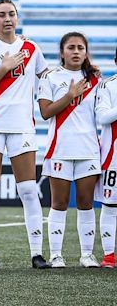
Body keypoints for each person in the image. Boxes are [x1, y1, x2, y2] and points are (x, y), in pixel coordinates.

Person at [0, 0, 50, 269]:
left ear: (17, 18)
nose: (7, 19)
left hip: (22, 126)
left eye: (11, 14)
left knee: (29, 190)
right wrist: (3, 67)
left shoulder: (31, 48)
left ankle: (37, 254)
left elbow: (48, 77)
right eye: (2, 15)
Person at [38, 32, 101, 268]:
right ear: (62, 52)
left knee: (86, 203)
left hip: (89, 150)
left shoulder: (96, 80)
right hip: (60, 149)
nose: (76, 52)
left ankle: (87, 254)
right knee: (60, 203)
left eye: (80, 48)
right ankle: (56, 255)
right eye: (71, 47)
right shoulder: (51, 77)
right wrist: (70, 95)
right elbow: (46, 112)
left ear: (86, 52)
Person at [94, 47, 117, 268]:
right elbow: (102, 117)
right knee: (111, 205)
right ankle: (109, 255)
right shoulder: (108, 85)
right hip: (113, 156)